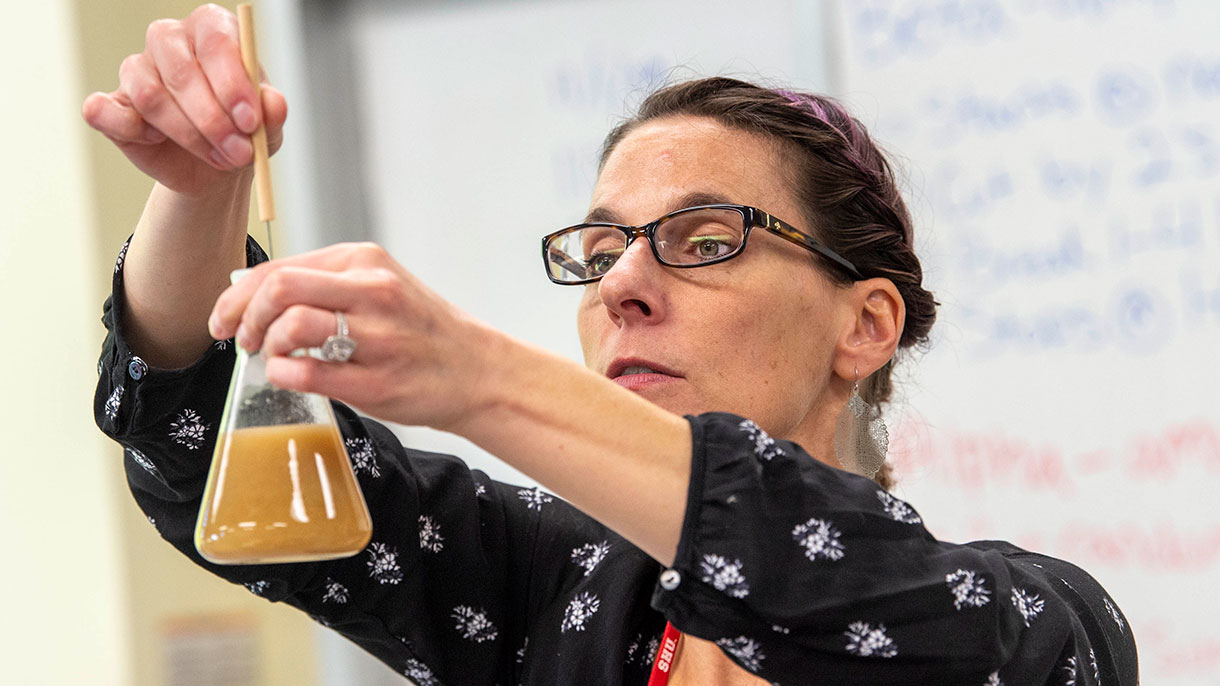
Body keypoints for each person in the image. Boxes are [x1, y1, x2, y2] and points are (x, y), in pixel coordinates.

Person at [86, 5, 1138, 685]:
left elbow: (831, 578)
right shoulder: (556, 591)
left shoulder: (1040, 626)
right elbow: (197, 433)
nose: (622, 283)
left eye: (705, 240)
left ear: (863, 323)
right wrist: (202, 190)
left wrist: (481, 376)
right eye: (598, 252)